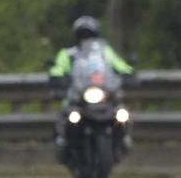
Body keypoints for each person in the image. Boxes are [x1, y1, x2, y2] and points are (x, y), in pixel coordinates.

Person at [48, 15, 137, 156]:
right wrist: (56, 77)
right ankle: (63, 141)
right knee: (65, 114)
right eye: (83, 36)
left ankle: (123, 138)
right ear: (77, 37)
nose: (87, 40)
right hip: (77, 95)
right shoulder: (68, 54)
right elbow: (58, 68)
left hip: (103, 93)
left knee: (121, 112)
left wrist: (129, 73)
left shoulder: (105, 52)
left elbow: (119, 65)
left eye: (90, 36)